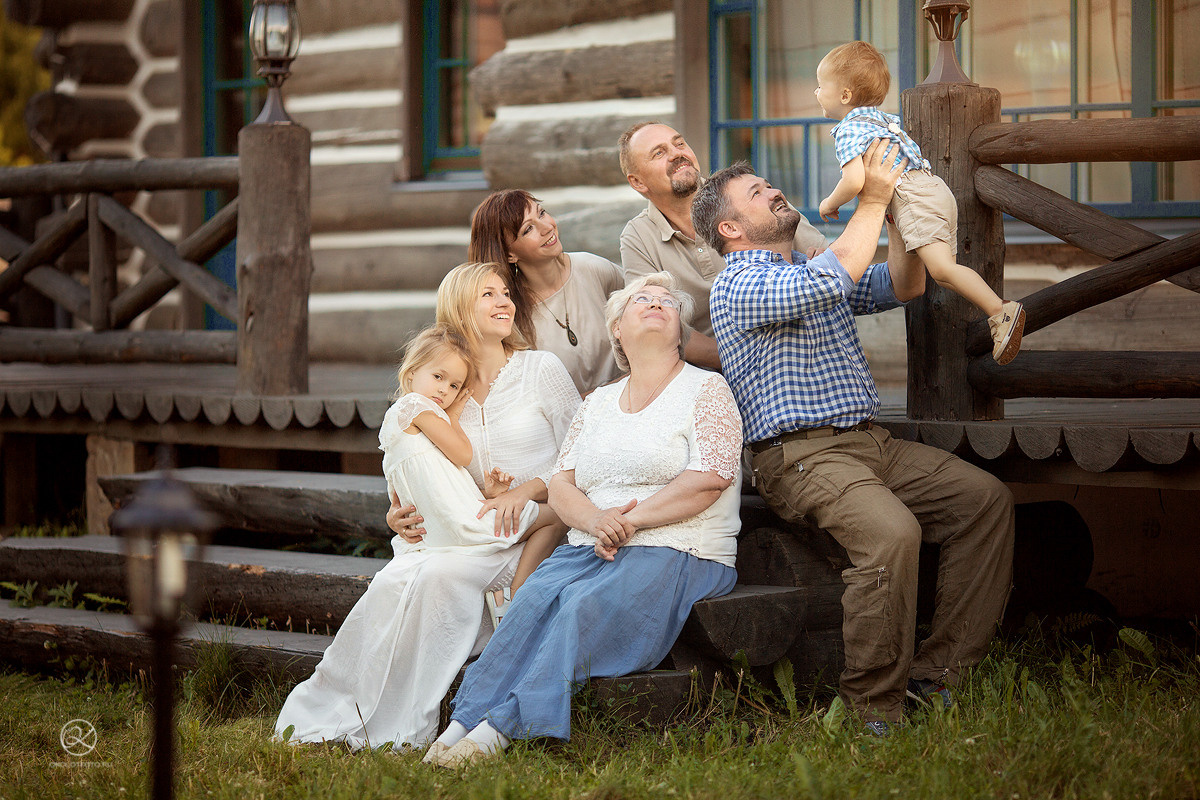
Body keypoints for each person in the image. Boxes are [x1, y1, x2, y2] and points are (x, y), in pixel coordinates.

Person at [693, 144, 1015, 736]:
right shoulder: (737, 283)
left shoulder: (809, 267)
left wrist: (895, 218)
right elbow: (832, 276)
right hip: (800, 457)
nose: (773, 191)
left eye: (768, 183)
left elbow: (904, 284)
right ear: (730, 228)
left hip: (870, 444)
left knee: (985, 501)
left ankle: (939, 677)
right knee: (892, 534)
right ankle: (871, 709)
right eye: (757, 192)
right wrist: (870, 198)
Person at [423, 272, 744, 768]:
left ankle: (498, 731)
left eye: (667, 302)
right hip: (591, 544)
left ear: (680, 329)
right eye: (641, 299)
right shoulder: (597, 403)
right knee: (531, 603)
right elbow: (561, 485)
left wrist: (628, 522)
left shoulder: (707, 389)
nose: (656, 304)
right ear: (617, 328)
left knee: (579, 608)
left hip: (681, 548)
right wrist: (596, 521)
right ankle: (461, 724)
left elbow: (709, 479)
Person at [276, 263, 579, 750]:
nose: (505, 301)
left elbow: (580, 456)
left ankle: (418, 713)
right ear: (459, 306)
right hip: (472, 527)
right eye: (488, 294)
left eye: (506, 293)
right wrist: (397, 514)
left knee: (438, 575)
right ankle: (358, 708)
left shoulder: (540, 369)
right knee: (396, 580)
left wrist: (526, 491)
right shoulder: (441, 389)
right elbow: (421, 471)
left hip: (538, 524)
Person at [814, 41, 1024, 364]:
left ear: (844, 95)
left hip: (913, 199)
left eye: (820, 86)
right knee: (945, 272)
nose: (816, 93)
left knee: (942, 270)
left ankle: (1001, 310)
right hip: (934, 189)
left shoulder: (848, 130)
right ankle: (999, 311)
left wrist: (829, 203)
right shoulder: (880, 121)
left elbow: (854, 181)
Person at [618, 121, 828, 370]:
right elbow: (657, 322)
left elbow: (824, 260)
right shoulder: (637, 237)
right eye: (659, 153)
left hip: (797, 352)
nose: (676, 154)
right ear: (638, 182)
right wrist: (742, 361)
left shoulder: (749, 197)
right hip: (709, 371)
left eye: (680, 143)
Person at [470, 189, 623, 396]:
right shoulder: (509, 313)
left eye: (541, 213)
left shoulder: (594, 268)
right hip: (565, 416)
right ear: (509, 254)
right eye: (528, 229)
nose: (547, 227)